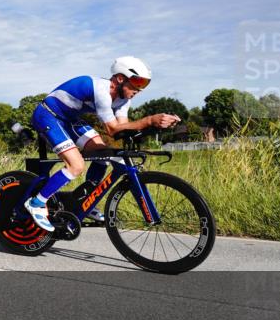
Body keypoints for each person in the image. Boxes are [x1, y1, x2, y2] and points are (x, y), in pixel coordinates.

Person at [25, 56, 181, 232]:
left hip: (69, 119)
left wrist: (157, 127)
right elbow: (113, 130)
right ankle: (37, 202)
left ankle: (85, 201)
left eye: (144, 84)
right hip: (47, 115)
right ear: (120, 78)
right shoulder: (101, 91)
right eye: (137, 81)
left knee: (104, 155)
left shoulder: (124, 100)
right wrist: (150, 119)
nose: (139, 89)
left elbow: (123, 129)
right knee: (76, 165)